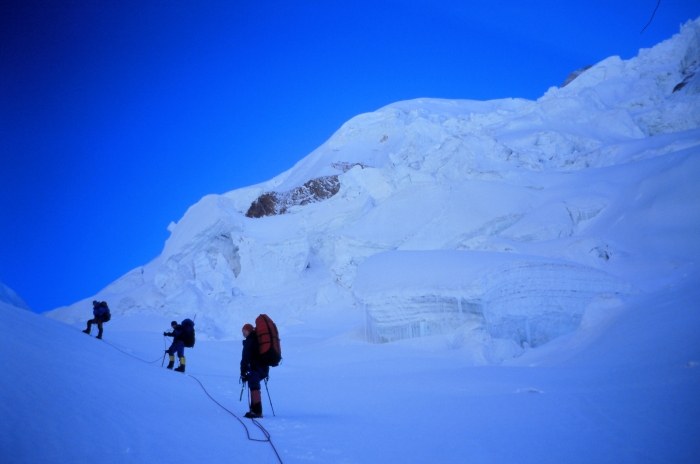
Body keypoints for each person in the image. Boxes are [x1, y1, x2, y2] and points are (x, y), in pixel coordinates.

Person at [240, 323, 269, 418]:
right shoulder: (258, 339)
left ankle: (257, 411)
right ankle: (254, 410)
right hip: (262, 368)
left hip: (254, 368)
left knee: (254, 388)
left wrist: (243, 370)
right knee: (254, 387)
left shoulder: (250, 340)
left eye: (244, 331)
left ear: (249, 331)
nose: (243, 333)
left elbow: (246, 357)